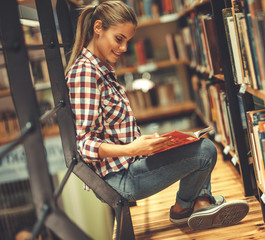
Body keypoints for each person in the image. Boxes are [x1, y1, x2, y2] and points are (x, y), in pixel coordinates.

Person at [65, 0, 249, 230]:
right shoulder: (84, 73)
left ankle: (198, 203)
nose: (123, 48)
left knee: (197, 142)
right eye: (119, 39)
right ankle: (191, 205)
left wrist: (151, 144)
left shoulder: (101, 69)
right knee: (206, 152)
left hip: (129, 165)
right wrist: (133, 149)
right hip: (119, 179)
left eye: (127, 41)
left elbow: (112, 132)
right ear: (98, 28)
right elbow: (85, 144)